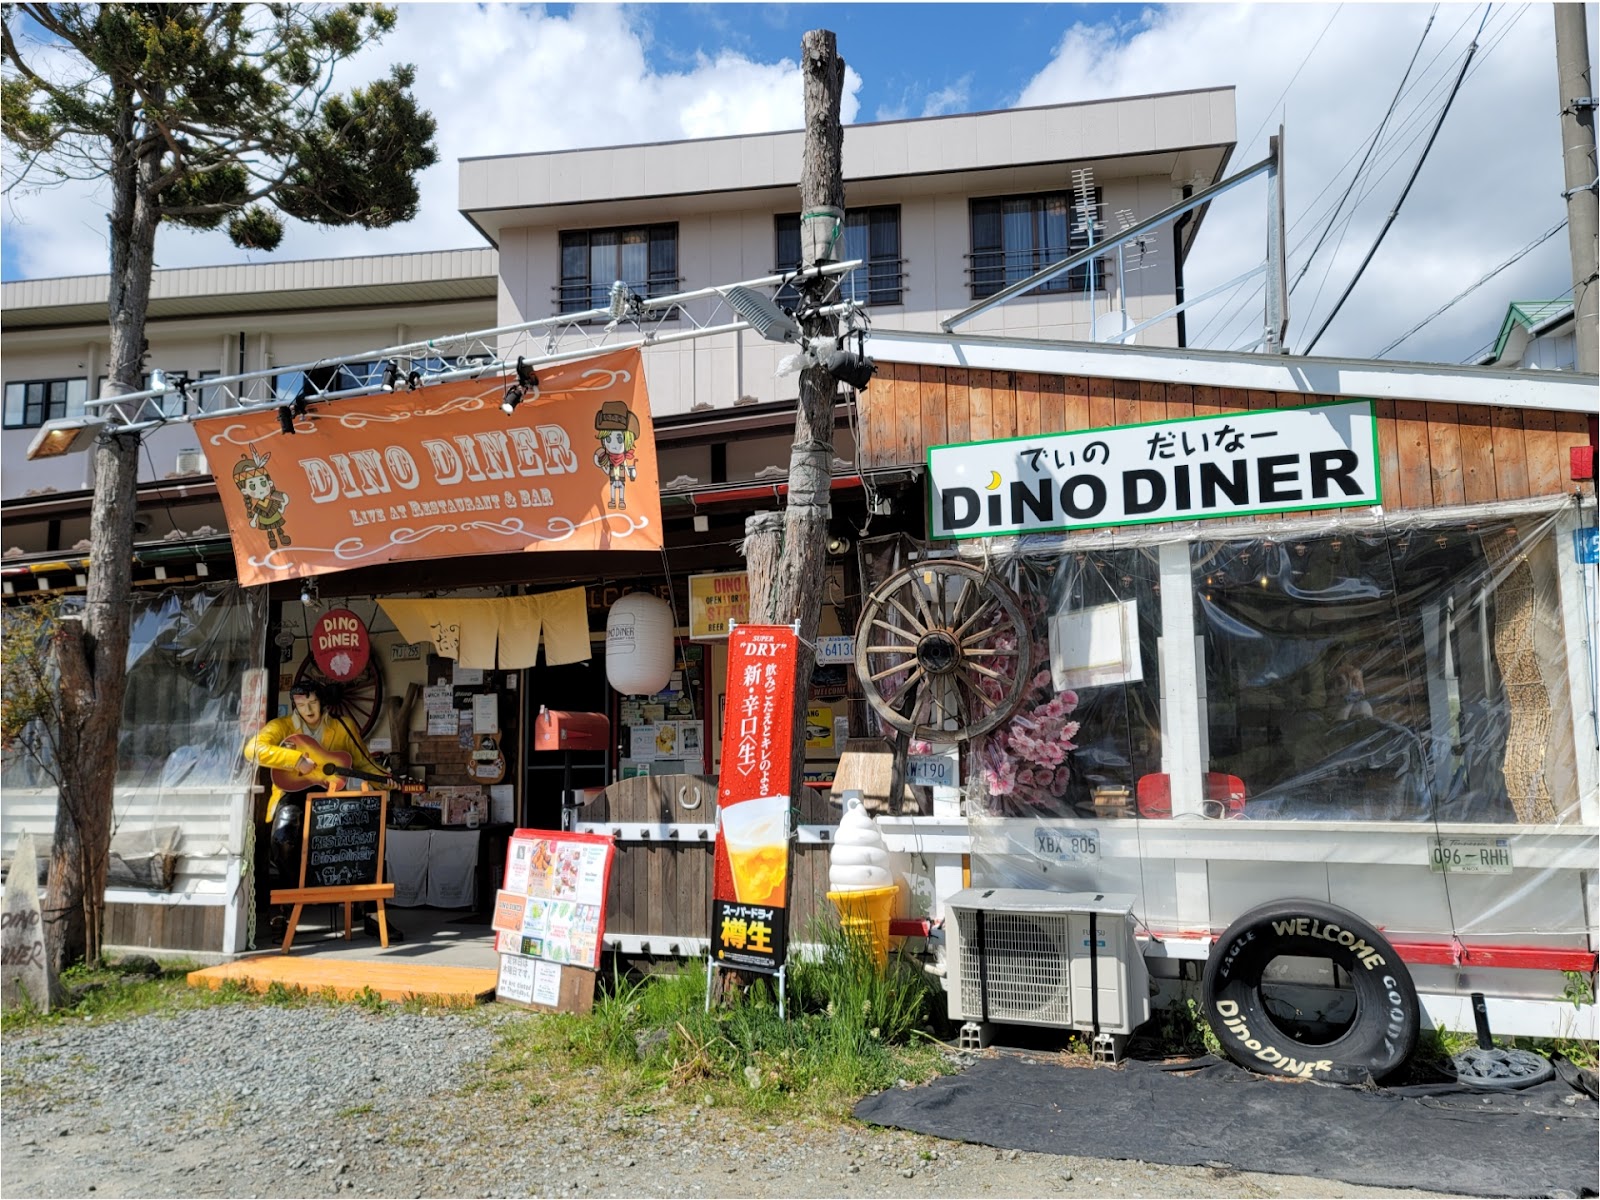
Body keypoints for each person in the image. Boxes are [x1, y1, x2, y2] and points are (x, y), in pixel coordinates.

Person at [244, 681, 385, 928]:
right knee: (283, 839)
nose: (307, 709)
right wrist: (294, 759)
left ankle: (372, 912)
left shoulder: (343, 725)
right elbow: (252, 749)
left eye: (312, 703)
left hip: (333, 796)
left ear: (323, 702)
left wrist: (389, 780)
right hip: (292, 792)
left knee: (367, 839)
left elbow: (363, 763)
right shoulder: (282, 726)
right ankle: (288, 903)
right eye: (300, 705)